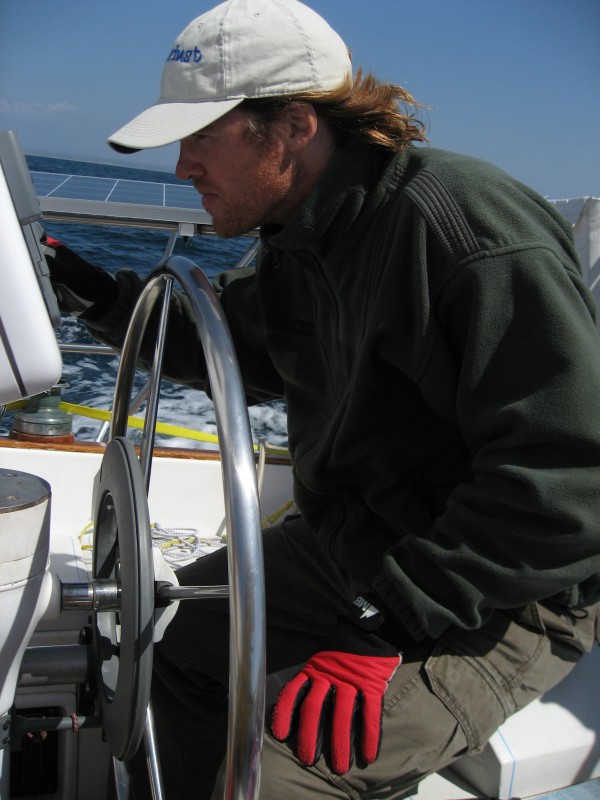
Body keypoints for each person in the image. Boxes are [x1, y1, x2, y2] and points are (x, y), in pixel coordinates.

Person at [45, 0, 600, 798]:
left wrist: (389, 618)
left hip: (501, 587)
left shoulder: (462, 229)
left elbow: (571, 477)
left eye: (201, 137)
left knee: (284, 773)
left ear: (295, 127)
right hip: (357, 542)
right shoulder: (301, 237)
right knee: (169, 642)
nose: (182, 168)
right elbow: (244, 347)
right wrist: (96, 294)